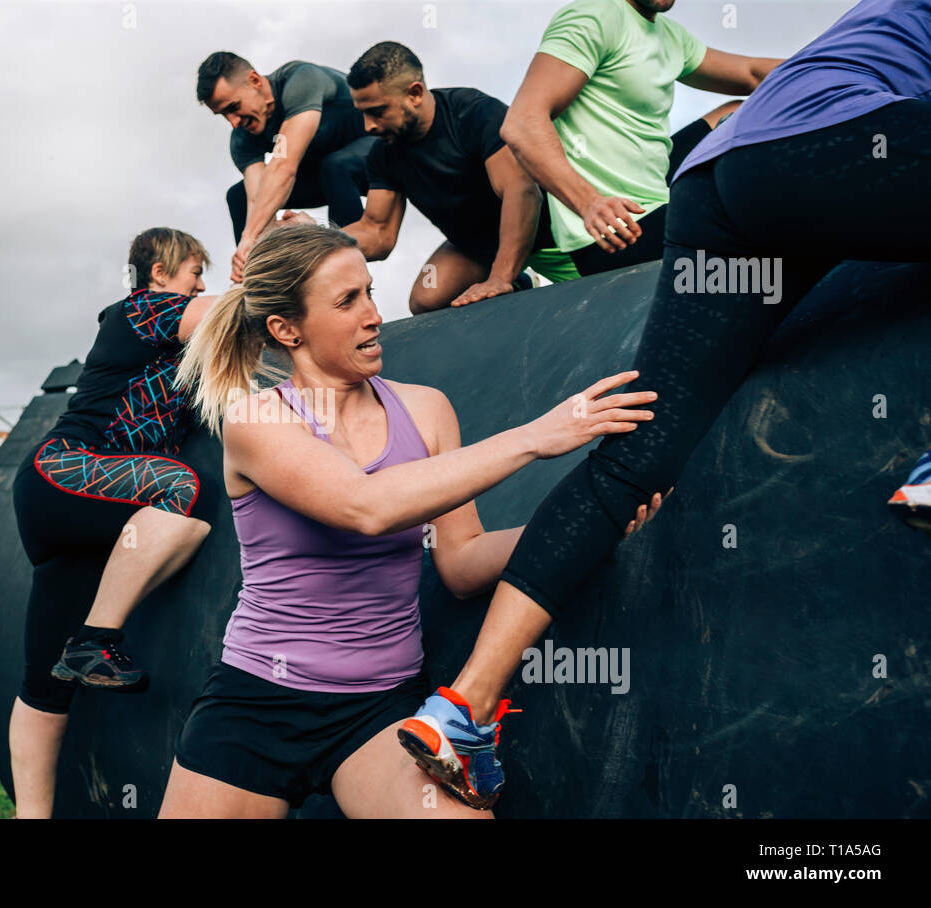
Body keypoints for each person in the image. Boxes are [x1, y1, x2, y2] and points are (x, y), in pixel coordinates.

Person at [399, 0, 931, 809]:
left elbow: (762, 75)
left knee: (638, 452)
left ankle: (462, 708)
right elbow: (527, 122)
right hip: (829, 152)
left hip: (723, 185)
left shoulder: (865, 26)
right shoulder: (595, 20)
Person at [156, 223, 662, 818]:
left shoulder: (425, 409)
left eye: (369, 291)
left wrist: (584, 527)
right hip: (259, 703)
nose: (373, 315)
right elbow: (366, 507)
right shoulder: (257, 421)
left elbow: (462, 564)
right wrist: (535, 437)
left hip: (379, 708)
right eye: (347, 302)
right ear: (285, 329)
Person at [8, 227, 219, 818]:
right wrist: (268, 257)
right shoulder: (139, 313)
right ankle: (97, 641)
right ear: (159, 275)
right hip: (67, 472)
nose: (201, 284)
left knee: (43, 685)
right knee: (183, 492)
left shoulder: (170, 347)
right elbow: (229, 313)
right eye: (193, 272)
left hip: (73, 519)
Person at [500, 0, 783, 277]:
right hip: (616, 231)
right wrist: (589, 203)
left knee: (742, 111)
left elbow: (751, 74)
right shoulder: (595, 16)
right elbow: (523, 123)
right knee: (765, 220)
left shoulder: (671, 36)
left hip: (659, 201)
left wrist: (824, 64)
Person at [336, 41, 578, 314]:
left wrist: (500, 277)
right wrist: (315, 239)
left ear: (414, 93)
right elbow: (377, 232)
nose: (369, 125)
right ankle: (522, 284)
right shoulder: (384, 153)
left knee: (608, 285)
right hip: (477, 246)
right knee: (426, 300)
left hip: (545, 234)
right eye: (363, 113)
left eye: (378, 111)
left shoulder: (473, 112)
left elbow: (521, 191)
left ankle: (510, 276)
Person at [196, 52, 379, 281]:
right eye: (223, 114)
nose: (233, 121)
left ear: (255, 80)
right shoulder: (242, 138)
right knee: (239, 197)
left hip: (375, 156)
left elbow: (285, 166)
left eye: (234, 107)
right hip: (326, 177)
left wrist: (249, 237)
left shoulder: (301, 80)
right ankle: (265, 287)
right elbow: (257, 199)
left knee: (335, 165)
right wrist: (254, 247)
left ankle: (347, 272)